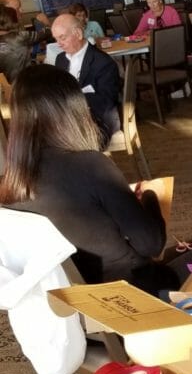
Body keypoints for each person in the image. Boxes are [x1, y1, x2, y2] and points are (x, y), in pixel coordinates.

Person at [0, 66, 178, 296]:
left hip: (72, 305)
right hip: (135, 296)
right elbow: (151, 244)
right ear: (73, 110)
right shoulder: (91, 166)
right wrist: (151, 197)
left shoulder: (9, 186)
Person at [51, 12, 121, 149]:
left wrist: (73, 101)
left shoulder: (103, 62)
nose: (59, 44)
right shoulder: (60, 59)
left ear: (78, 34)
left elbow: (106, 102)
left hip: (97, 122)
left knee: (57, 146)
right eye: (56, 39)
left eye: (62, 38)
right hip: (68, 122)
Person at [0, 5, 34, 81]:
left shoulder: (19, 32)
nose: (21, 11)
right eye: (17, 8)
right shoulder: (17, 36)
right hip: (22, 82)